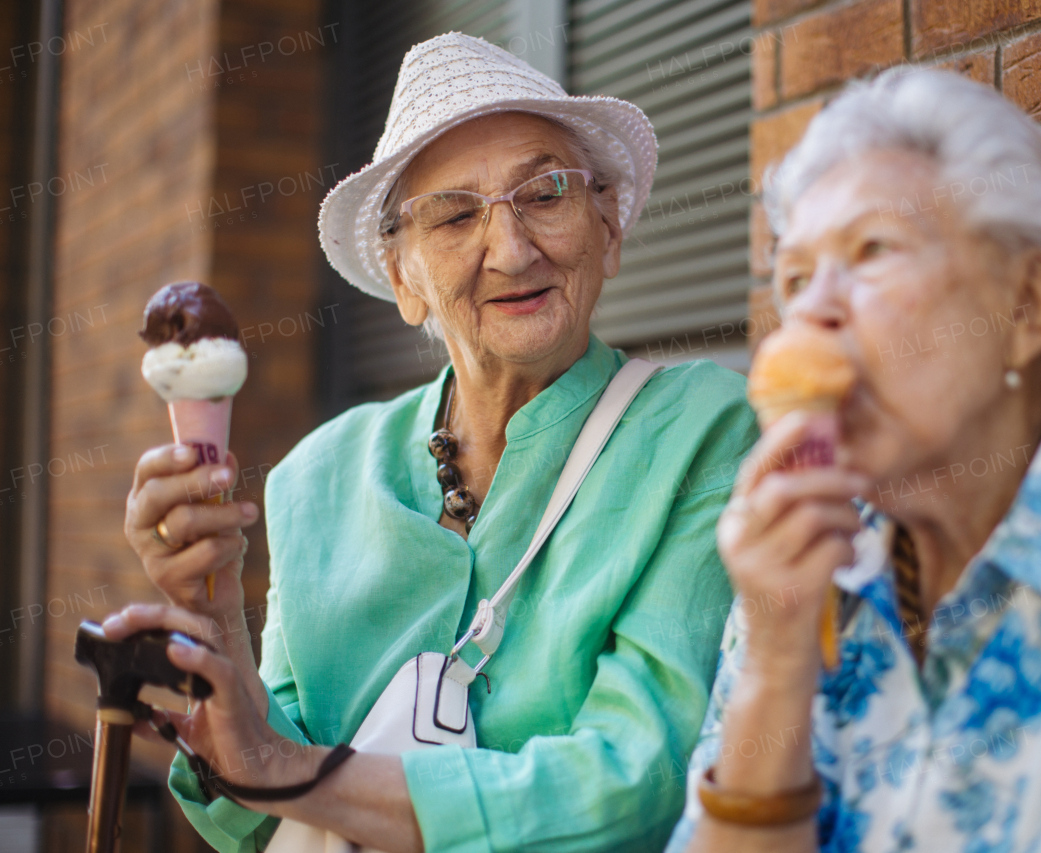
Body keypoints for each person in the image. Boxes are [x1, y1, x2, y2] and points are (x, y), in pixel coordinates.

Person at [107, 34, 756, 853]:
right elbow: (251, 820)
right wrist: (209, 608)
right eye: (455, 215)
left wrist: (290, 767)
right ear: (405, 279)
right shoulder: (318, 475)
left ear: (609, 231)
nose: (513, 250)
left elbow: (637, 784)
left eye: (546, 192)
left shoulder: (709, 431)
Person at [667, 67, 1041, 853]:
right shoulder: (802, 566)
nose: (811, 310)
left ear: (1025, 305)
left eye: (872, 248)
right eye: (793, 278)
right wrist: (778, 661)